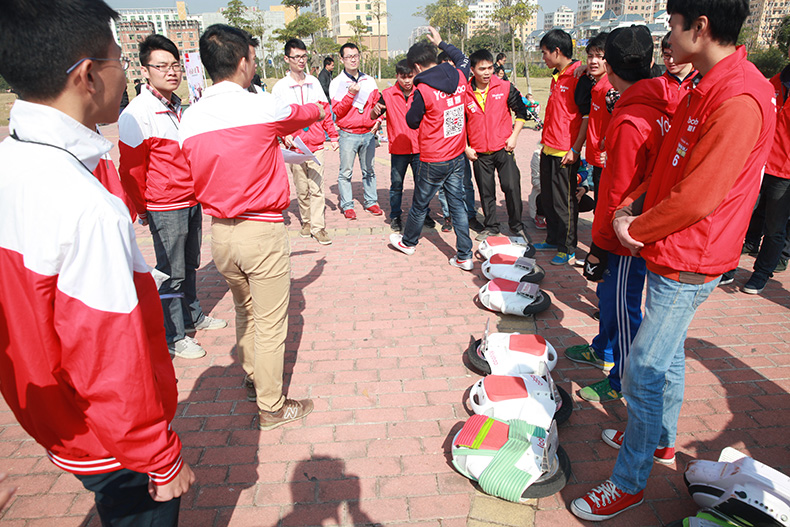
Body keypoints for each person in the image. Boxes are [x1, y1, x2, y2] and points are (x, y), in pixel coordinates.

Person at [570, 0, 776, 520]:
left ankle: (631, 480)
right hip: (671, 246)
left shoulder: (739, 97)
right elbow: (670, 165)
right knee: (668, 354)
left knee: (643, 367)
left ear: (699, 27)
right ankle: (658, 441)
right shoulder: (703, 85)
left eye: (673, 26)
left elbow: (699, 196)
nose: (668, 35)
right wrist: (633, 203)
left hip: (691, 252)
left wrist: (631, 228)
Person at [0, 1, 195, 525]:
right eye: (120, 62)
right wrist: (158, 455)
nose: (125, 76)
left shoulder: (10, 160)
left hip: (53, 415)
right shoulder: (83, 204)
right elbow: (109, 353)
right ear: (87, 75)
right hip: (109, 437)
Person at [179, 24, 322, 430]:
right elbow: (305, 113)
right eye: (254, 60)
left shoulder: (189, 118)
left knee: (245, 309)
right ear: (243, 62)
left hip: (220, 233)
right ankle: (272, 406)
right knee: (273, 322)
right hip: (260, 229)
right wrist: (322, 107)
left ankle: (253, 376)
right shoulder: (259, 106)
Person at [565, 26, 676, 405]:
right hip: (635, 223)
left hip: (625, 234)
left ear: (609, 66)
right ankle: (604, 347)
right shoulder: (658, 105)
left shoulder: (630, 121)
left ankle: (621, 380)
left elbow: (617, 191)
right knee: (611, 297)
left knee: (622, 304)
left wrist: (599, 244)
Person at [119, 34, 226, 361]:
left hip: (190, 200)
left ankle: (192, 316)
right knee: (172, 271)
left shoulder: (180, 107)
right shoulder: (138, 114)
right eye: (161, 66)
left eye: (175, 65)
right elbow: (132, 172)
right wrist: (143, 209)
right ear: (145, 69)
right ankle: (173, 335)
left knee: (190, 263)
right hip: (165, 206)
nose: (171, 72)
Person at [389, 27, 475, 271]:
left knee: (420, 204)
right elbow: (463, 58)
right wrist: (442, 43)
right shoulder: (459, 76)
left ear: (415, 68)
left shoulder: (423, 90)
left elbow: (412, 121)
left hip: (433, 158)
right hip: (457, 156)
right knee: (458, 204)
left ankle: (408, 242)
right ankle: (465, 255)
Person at [734, 43, 790, 295]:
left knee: (775, 227)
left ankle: (762, 272)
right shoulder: (774, 82)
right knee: (742, 215)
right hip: (758, 164)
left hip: (785, 172)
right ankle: (728, 265)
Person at [272, 38, 338, 245]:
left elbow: (325, 111)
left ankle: (319, 228)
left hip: (316, 143)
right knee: (301, 188)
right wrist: (284, 136)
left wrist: (333, 135)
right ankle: (307, 221)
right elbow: (276, 117)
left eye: (304, 56)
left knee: (317, 187)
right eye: (297, 57)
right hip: (294, 146)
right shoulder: (281, 87)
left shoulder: (314, 82)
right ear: (287, 59)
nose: (301, 61)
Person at [535, 29, 590, 266]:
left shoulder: (579, 76)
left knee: (564, 203)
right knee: (547, 199)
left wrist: (575, 149)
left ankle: (568, 247)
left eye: (545, 53)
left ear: (557, 51)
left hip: (565, 153)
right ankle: (553, 239)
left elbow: (587, 117)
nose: (543, 58)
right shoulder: (557, 75)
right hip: (548, 148)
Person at [464, 49, 530, 242]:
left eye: (490, 68)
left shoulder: (505, 87)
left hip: (504, 148)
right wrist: (465, 146)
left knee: (511, 186)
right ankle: (491, 226)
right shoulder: (464, 93)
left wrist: (514, 136)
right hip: (478, 152)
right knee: (486, 191)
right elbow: (459, 123)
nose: (487, 72)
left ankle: (517, 225)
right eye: (482, 68)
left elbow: (522, 112)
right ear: (472, 70)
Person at [370, 60, 437, 233]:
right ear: (397, 76)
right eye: (403, 77)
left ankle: (424, 214)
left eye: (410, 77)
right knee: (396, 185)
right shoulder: (387, 94)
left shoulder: (422, 92)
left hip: (419, 148)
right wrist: (375, 111)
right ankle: (395, 216)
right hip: (398, 148)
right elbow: (372, 115)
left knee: (422, 185)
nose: (407, 81)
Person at [329, 42, 382, 220]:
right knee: (346, 172)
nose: (353, 59)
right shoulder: (337, 83)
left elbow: (378, 105)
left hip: (368, 132)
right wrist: (350, 95)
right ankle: (347, 205)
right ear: (341, 59)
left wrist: (379, 120)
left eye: (356, 56)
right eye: (349, 56)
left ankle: (371, 201)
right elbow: (337, 111)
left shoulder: (369, 80)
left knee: (369, 170)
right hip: (348, 134)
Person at [580, 32, 611, 207]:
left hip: (606, 162)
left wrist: (611, 145)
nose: (593, 61)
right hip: (597, 160)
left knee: (603, 209)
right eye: (590, 56)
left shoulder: (610, 89)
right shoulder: (597, 84)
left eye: (599, 57)